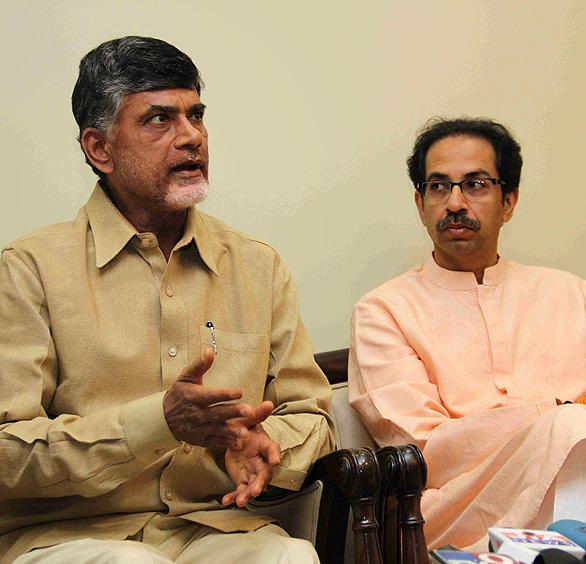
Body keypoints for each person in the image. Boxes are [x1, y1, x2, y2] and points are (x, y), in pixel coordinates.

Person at [0, 36, 335, 563]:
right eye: (159, 119)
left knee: (288, 558)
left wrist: (257, 445)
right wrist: (157, 423)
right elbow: (7, 451)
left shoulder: (256, 265)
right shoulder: (29, 270)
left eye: (196, 115)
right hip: (72, 537)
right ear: (99, 148)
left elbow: (312, 416)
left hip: (217, 527)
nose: (191, 138)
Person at [348, 117, 586, 551]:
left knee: (585, 435)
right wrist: (582, 412)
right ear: (420, 202)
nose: (455, 202)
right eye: (439, 186)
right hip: (456, 507)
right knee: (578, 427)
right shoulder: (384, 310)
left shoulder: (567, 292)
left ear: (509, 201)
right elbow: (427, 447)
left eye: (476, 184)